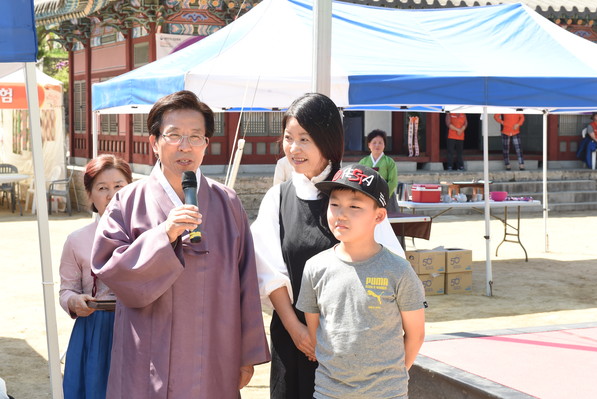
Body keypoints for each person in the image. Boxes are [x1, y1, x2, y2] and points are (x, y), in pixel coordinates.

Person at [91, 90, 270, 398]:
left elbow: (246, 283)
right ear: (154, 142)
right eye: (174, 135)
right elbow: (109, 268)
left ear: (206, 145)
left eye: (196, 137)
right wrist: (164, 235)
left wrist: (246, 353)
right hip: (146, 352)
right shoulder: (128, 200)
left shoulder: (227, 202)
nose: (185, 146)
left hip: (213, 352)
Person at [251, 93, 404, 399]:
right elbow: (269, 271)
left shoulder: (357, 194)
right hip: (292, 338)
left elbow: (390, 268)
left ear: (328, 140)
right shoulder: (278, 198)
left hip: (349, 345)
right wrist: (299, 332)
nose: (294, 148)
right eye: (288, 138)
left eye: (305, 139)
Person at [296, 164, 426, 398]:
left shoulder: (399, 270)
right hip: (329, 391)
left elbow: (415, 334)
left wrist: (391, 380)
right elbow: (316, 332)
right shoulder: (315, 267)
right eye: (334, 204)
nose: (341, 214)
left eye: (354, 206)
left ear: (379, 216)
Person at [59, 154, 133, 399]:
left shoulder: (148, 236)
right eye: (102, 188)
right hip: (95, 328)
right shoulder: (77, 240)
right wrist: (74, 301)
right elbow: (66, 289)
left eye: (119, 186)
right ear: (89, 194)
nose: (111, 195)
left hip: (139, 326)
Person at [359, 129, 400, 212]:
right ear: (369, 145)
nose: (377, 145)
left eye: (380, 142)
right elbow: (358, 179)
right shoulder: (363, 162)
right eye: (374, 143)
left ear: (384, 145)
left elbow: (393, 181)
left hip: (386, 196)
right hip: (368, 196)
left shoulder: (389, 162)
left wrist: (384, 195)